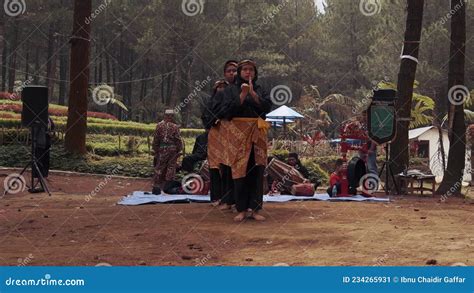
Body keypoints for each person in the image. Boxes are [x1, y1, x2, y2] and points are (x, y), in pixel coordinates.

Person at [213, 59, 272, 222]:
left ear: (255, 73)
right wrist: (243, 94)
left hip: (257, 134)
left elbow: (267, 107)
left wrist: (252, 93)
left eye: (251, 70)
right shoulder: (230, 90)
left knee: (257, 169)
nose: (248, 72)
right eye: (245, 69)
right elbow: (225, 111)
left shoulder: (261, 89)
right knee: (239, 170)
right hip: (237, 135)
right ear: (240, 73)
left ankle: (254, 209)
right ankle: (240, 209)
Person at [152, 109, 183, 195]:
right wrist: (180, 149)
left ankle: (157, 187)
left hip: (162, 150)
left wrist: (155, 150)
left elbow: (156, 139)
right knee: (171, 168)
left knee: (159, 168)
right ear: (172, 116)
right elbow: (178, 140)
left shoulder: (159, 125)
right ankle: (168, 188)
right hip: (172, 150)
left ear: (164, 116)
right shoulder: (175, 127)